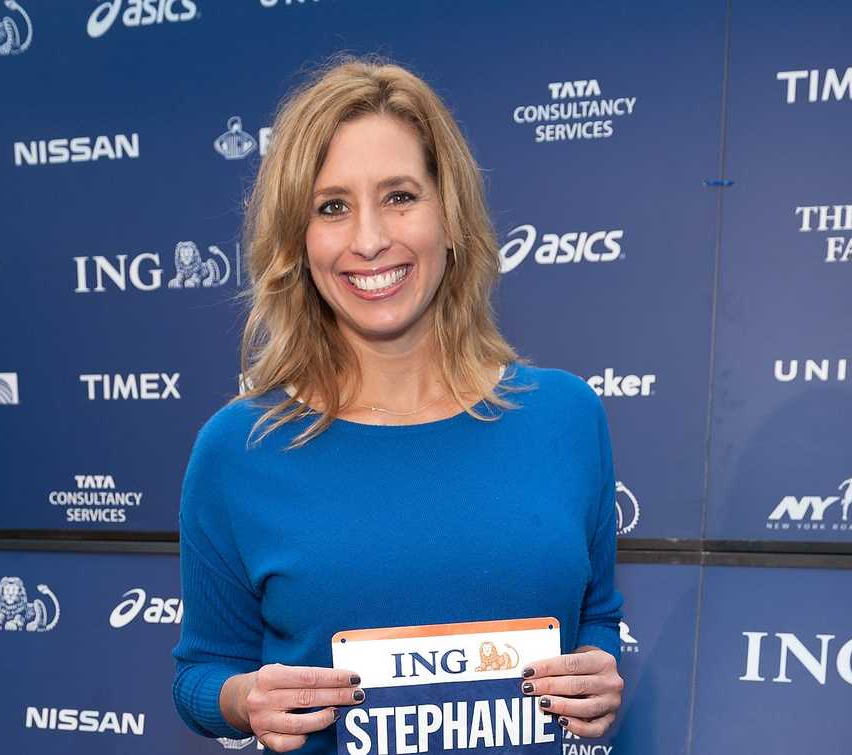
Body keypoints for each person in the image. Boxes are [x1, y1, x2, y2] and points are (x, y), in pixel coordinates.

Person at [172, 54, 625, 754]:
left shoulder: (566, 419)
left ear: (450, 218)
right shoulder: (239, 450)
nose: (369, 238)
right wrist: (244, 699)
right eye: (332, 207)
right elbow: (202, 672)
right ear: (298, 242)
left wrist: (598, 679)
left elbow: (596, 620)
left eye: (400, 196)